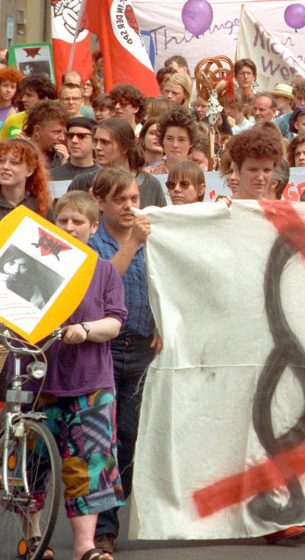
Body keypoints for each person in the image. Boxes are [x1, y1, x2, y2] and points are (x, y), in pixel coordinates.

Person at [4, 191, 127, 560]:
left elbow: (115, 321)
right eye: (63, 221)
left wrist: (86, 330)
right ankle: (34, 540)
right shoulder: (28, 264)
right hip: (33, 377)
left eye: (78, 222)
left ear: (93, 228)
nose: (70, 228)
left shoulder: (103, 271)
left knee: (88, 464)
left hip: (89, 380)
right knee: (30, 465)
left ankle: (84, 547)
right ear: (52, 225)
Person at [89, 167, 159, 556]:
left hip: (143, 348)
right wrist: (131, 242)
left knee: (129, 439)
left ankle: (114, 503)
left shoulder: (153, 237)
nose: (131, 206)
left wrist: (164, 322)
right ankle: (104, 527)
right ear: (101, 203)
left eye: (134, 198)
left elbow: (169, 285)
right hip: (104, 350)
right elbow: (103, 285)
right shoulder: (93, 242)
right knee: (104, 439)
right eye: (121, 200)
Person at [67, 118, 167, 209]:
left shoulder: (151, 185)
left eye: (104, 142)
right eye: (95, 141)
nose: (97, 147)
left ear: (124, 147)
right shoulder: (82, 182)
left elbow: (162, 225)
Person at [0, 138, 53, 220]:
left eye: (14, 163)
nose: (5, 167)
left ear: (30, 170)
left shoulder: (40, 205)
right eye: (1, 161)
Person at [145, 109, 197, 175]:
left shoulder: (200, 174)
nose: (175, 145)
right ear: (162, 140)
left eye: (181, 140)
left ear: (191, 143)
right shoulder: (148, 175)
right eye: (169, 139)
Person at [49, 116, 99, 182]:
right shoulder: (50, 176)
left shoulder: (102, 177)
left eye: (81, 136)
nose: (74, 140)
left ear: (94, 142)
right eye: (70, 136)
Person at [25, 100, 69, 169]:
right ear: (37, 130)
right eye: (57, 132)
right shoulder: (21, 155)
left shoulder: (61, 156)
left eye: (64, 133)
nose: (62, 138)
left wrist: (66, 166)